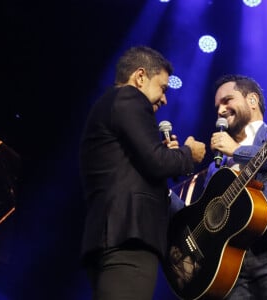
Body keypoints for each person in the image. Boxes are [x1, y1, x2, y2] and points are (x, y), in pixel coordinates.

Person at [79, 45, 206, 300]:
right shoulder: (129, 97)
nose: (165, 99)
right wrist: (186, 153)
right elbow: (156, 162)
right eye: (163, 88)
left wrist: (167, 154)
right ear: (140, 77)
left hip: (110, 235)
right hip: (128, 237)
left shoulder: (111, 105)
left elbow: (142, 165)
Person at [205, 74, 267, 299]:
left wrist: (237, 151)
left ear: (252, 100)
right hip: (231, 265)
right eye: (217, 106)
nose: (220, 110)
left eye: (227, 100)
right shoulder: (218, 163)